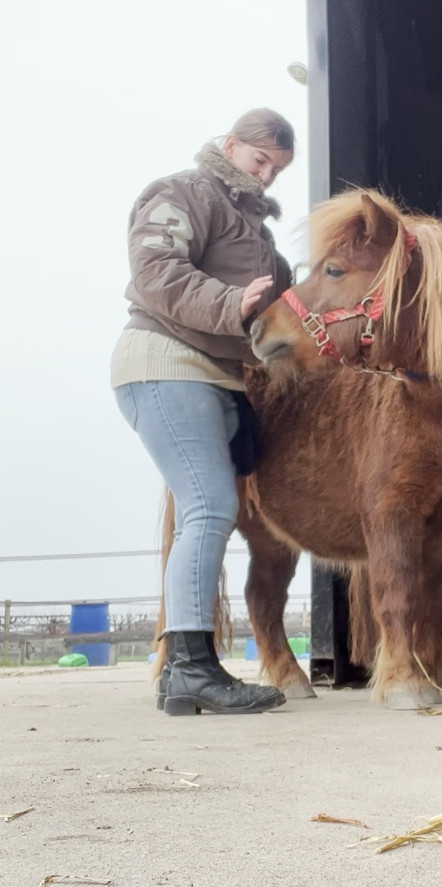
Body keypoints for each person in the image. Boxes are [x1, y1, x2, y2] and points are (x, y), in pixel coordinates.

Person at [111, 108, 295, 716]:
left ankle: (180, 678)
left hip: (221, 377)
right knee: (210, 504)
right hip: (166, 361)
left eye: (276, 169)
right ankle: (190, 668)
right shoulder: (181, 191)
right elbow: (157, 270)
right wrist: (229, 303)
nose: (266, 176)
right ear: (230, 145)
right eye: (259, 160)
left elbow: (288, 307)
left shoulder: (258, 235)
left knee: (210, 506)